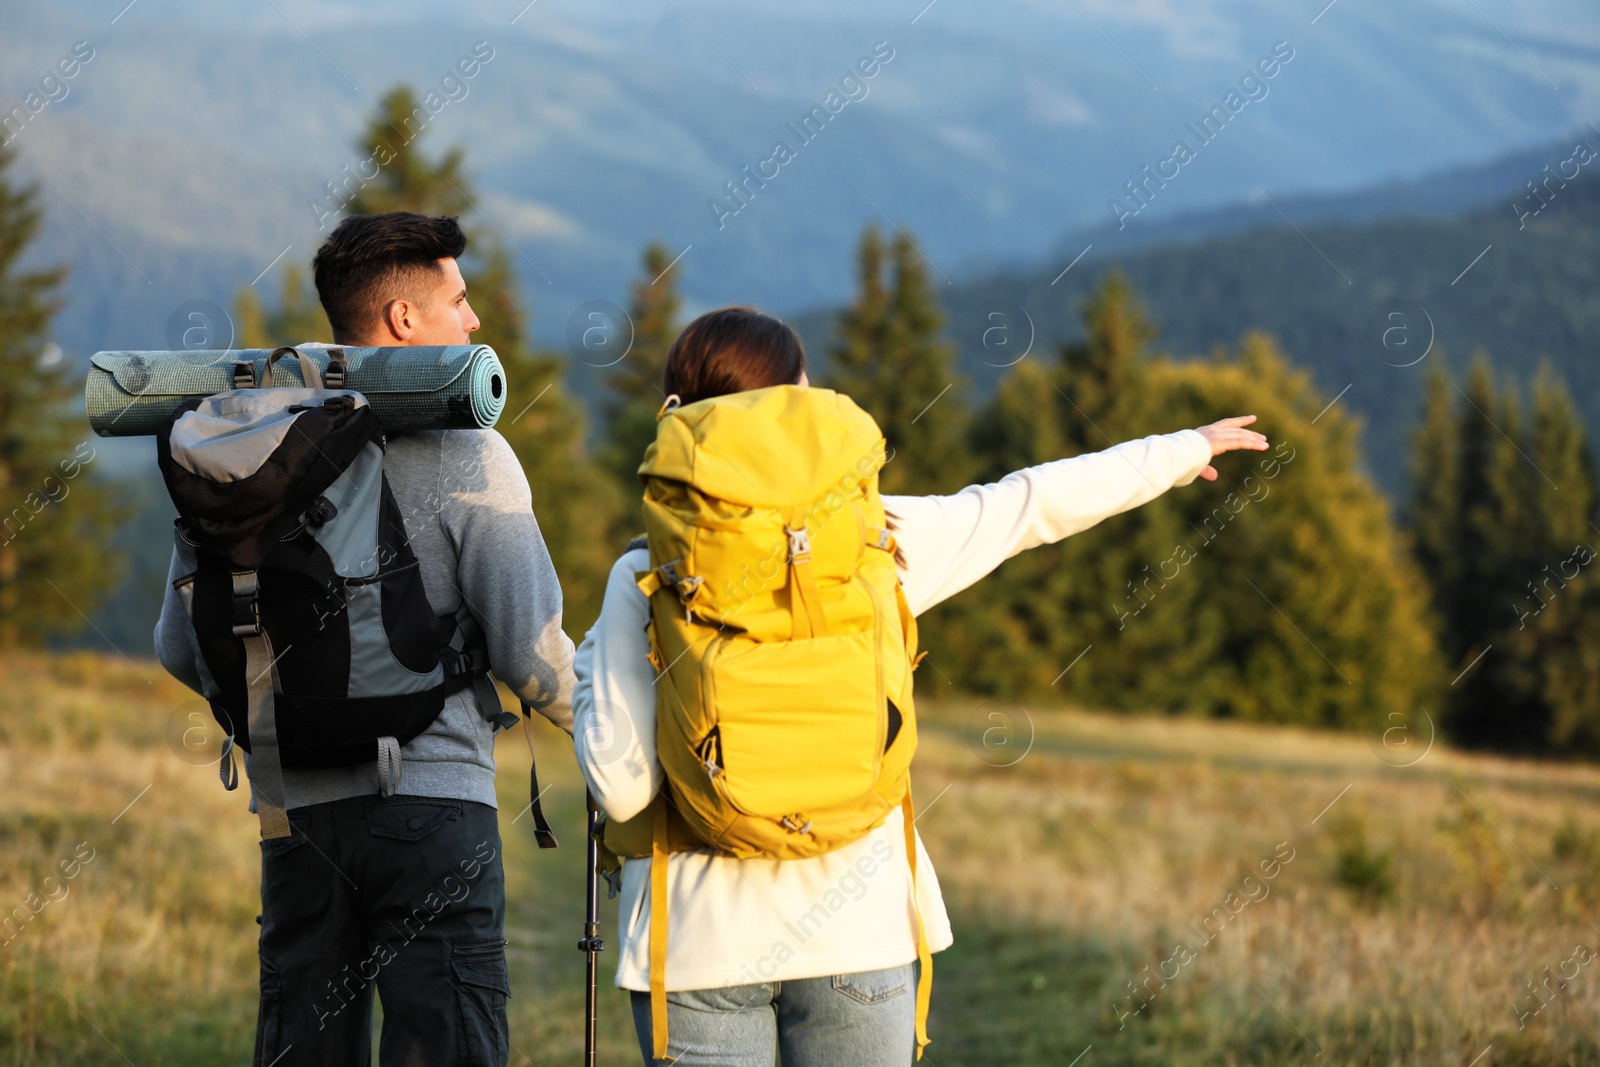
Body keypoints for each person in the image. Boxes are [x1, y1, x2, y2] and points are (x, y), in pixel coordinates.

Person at [571, 306, 1269, 1066]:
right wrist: (1175, 451)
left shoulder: (644, 576)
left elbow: (622, 788)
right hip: (860, 933)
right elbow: (1024, 505)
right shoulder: (878, 539)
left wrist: (586, 678)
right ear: (804, 404)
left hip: (701, 949)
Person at [153, 212, 575, 1066]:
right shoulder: (469, 447)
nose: (475, 321)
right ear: (404, 320)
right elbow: (534, 658)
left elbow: (176, 643)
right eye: (459, 300)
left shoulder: (253, 446)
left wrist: (290, 704)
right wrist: (618, 731)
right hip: (433, 808)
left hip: (296, 814)